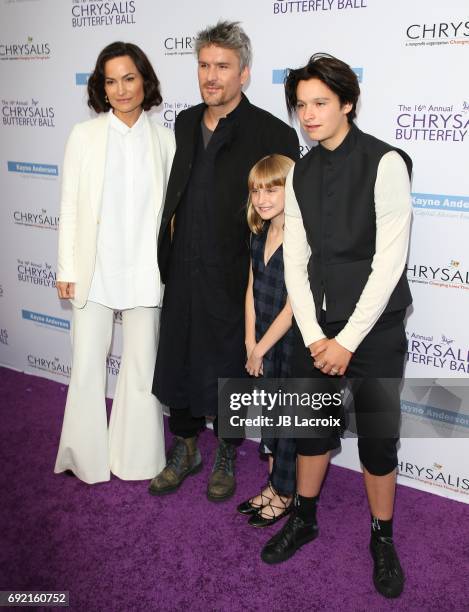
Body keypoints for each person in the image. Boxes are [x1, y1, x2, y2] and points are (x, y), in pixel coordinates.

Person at [260, 54, 412, 600]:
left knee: (377, 437)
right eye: (301, 104)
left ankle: (383, 537)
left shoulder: (386, 162)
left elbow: (388, 264)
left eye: (320, 102)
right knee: (310, 431)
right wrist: (314, 334)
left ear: (348, 102)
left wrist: (347, 342)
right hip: (316, 328)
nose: (308, 114)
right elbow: (295, 260)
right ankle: (305, 517)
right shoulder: (300, 171)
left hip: (374, 328)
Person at [150, 21, 299, 501]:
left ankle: (227, 451)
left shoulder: (272, 132)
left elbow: (283, 212)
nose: (211, 77)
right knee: (179, 355)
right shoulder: (186, 120)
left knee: (230, 364)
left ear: (245, 74)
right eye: (204, 66)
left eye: (223, 67)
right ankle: (186, 447)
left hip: (238, 273)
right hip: (184, 265)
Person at [54, 42, 175, 484]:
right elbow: (69, 207)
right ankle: (84, 457)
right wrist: (67, 268)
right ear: (100, 88)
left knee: (142, 367)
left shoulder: (166, 139)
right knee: (86, 363)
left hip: (146, 270)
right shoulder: (83, 137)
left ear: (145, 80)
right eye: (111, 80)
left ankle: (138, 459)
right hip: (95, 268)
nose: (121, 89)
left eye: (129, 78)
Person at [237, 154, 296, 527]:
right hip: (261, 343)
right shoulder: (259, 233)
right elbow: (251, 288)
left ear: (291, 189)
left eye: (272, 188)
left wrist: (261, 346)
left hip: (289, 346)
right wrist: (249, 340)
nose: (262, 198)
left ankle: (287, 495)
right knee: (271, 417)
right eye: (256, 190)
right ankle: (273, 487)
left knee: (289, 422)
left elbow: (294, 308)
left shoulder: (300, 238)